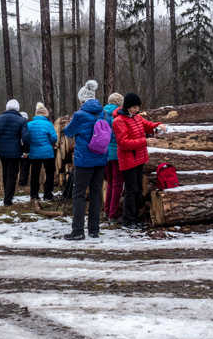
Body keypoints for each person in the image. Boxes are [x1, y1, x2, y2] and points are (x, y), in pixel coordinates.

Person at [62, 80, 108, 240]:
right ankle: (94, 230)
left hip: (84, 161)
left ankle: (78, 231)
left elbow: (68, 132)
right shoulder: (104, 113)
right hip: (101, 159)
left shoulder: (80, 115)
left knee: (79, 194)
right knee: (96, 194)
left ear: (82, 100)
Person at [112, 92, 165, 230]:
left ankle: (135, 218)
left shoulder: (137, 117)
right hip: (128, 161)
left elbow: (148, 125)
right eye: (134, 107)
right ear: (128, 106)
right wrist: (145, 141)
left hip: (139, 159)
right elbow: (123, 143)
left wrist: (159, 126)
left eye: (138, 107)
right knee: (131, 191)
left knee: (138, 190)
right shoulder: (119, 121)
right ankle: (128, 220)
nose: (137, 110)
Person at [0, 100, 29, 206]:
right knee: (12, 174)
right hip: (15, 151)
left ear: (7, 107)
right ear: (17, 108)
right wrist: (26, 150)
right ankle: (8, 199)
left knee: (5, 172)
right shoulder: (21, 120)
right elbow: (25, 137)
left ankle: (6, 195)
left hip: (2, 150)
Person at [27, 102, 58, 201]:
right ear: (45, 114)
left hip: (34, 152)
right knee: (50, 172)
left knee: (35, 173)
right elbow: (54, 139)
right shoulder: (48, 124)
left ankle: (34, 195)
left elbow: (26, 138)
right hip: (47, 153)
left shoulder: (29, 124)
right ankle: (47, 194)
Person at [103, 93, 125, 222]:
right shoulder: (118, 115)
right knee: (118, 184)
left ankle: (107, 210)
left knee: (110, 183)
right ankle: (113, 214)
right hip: (116, 154)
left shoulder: (102, 114)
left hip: (104, 153)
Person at [18, 111, 31, 186]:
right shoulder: (27, 125)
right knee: (25, 166)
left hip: (18, 148)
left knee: (22, 166)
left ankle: (21, 182)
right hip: (25, 148)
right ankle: (23, 183)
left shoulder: (17, 124)